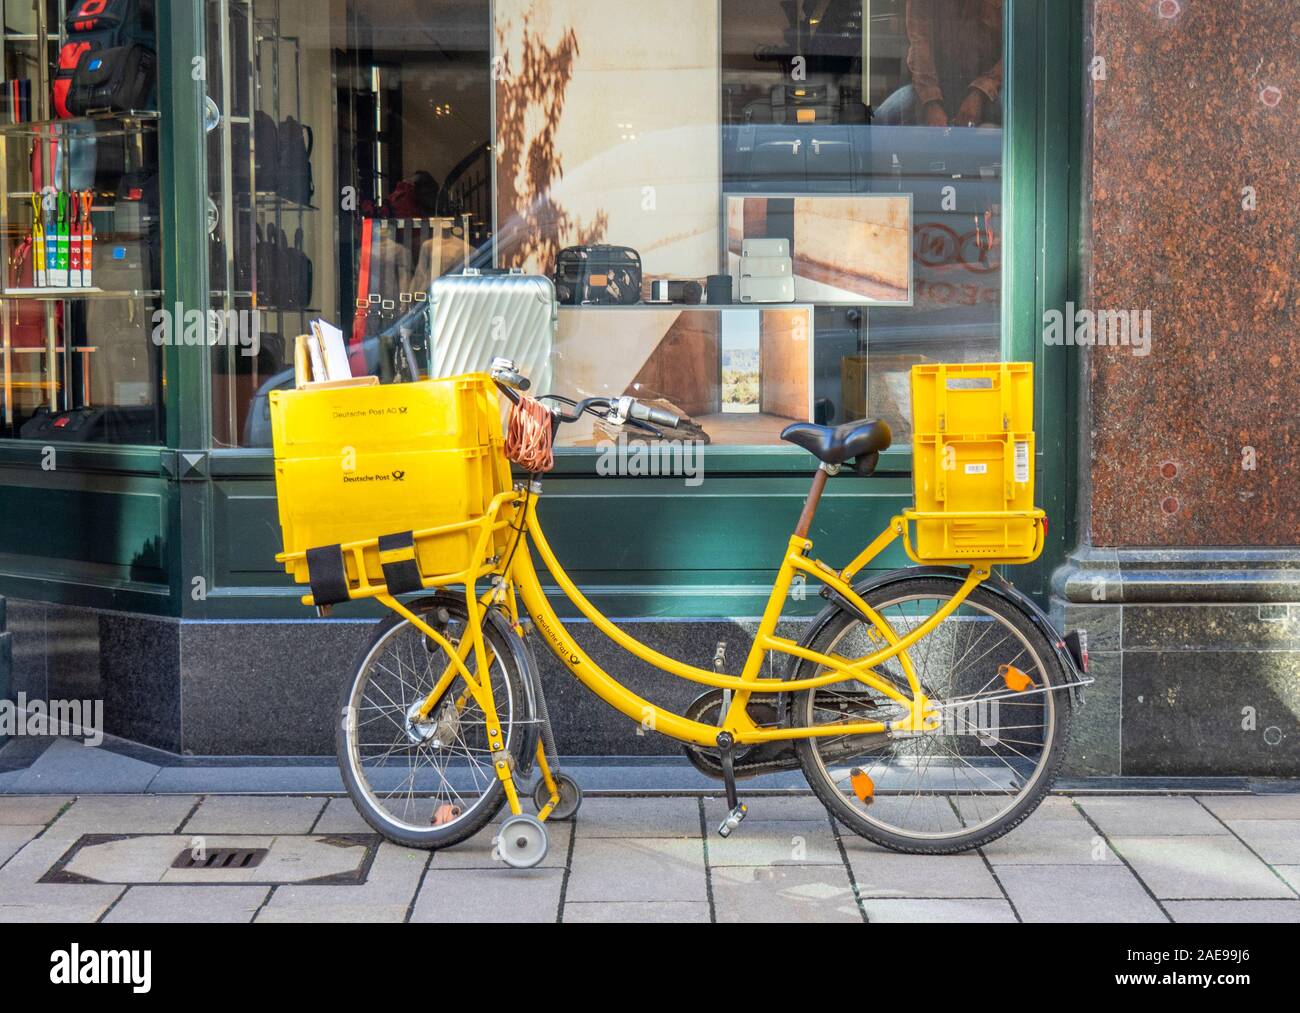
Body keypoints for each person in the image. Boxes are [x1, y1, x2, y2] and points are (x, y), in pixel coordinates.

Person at [874, 0, 1004, 127]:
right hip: (937, 85)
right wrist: (931, 101)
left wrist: (980, 92)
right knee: (881, 119)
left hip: (992, 89)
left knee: (1019, 116)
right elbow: (919, 46)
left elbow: (1015, 50)